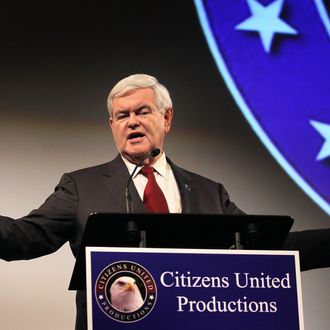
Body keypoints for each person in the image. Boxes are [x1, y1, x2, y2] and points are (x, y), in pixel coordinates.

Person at [0, 74, 329, 329]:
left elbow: (268, 248)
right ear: (112, 125)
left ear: (166, 118)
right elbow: (27, 236)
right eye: (122, 115)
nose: (132, 121)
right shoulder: (81, 186)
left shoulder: (208, 192)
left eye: (143, 111)